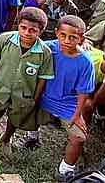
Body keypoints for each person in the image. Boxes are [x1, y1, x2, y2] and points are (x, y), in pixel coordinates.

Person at [0, 7, 53, 158]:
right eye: (23, 28)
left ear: (40, 32)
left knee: (15, 117)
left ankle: (6, 139)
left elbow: (43, 78)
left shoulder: (44, 53)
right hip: (0, 86)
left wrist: (34, 99)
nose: (26, 33)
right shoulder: (4, 39)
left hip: (24, 94)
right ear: (18, 25)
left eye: (33, 30)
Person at [36, 16, 96, 181]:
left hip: (66, 104)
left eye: (73, 37)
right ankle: (32, 137)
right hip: (41, 96)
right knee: (26, 114)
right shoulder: (47, 48)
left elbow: (83, 91)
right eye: (63, 35)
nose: (66, 40)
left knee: (79, 137)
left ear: (81, 38)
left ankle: (66, 169)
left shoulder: (85, 62)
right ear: (56, 33)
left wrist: (78, 114)